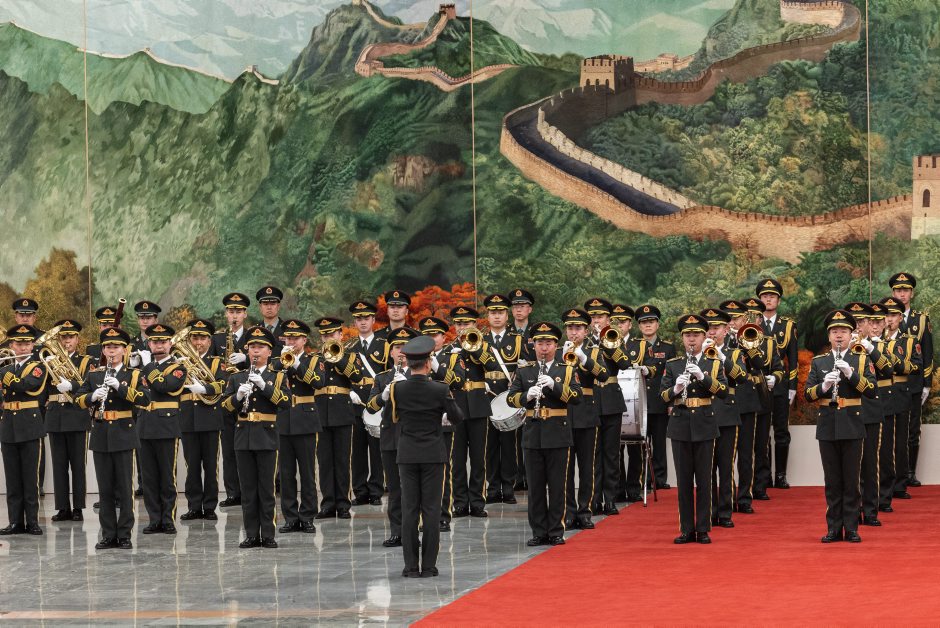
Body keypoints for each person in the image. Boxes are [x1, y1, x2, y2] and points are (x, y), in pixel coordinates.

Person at [394, 335, 463, 578]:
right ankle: (429, 565)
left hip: (407, 453)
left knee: (410, 510)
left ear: (408, 363)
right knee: (432, 510)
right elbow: (457, 417)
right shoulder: (440, 389)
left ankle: (411, 566)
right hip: (433, 453)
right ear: (428, 363)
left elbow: (391, 417)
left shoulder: (397, 389)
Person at [804, 310, 876, 543]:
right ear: (829, 336)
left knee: (852, 481)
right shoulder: (819, 362)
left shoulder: (861, 359)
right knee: (832, 481)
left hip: (853, 425)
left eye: (843, 331)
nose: (838, 335)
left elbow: (872, 391)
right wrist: (824, 386)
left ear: (851, 334)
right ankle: (834, 528)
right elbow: (808, 394)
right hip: (827, 425)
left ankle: (852, 527)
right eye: (834, 331)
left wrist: (850, 374)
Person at [508, 322, 581, 547]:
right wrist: (527, 397)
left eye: (548, 343)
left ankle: (556, 530)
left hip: (558, 433)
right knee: (536, 487)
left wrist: (554, 386)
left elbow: (577, 397)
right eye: (540, 343)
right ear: (534, 345)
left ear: (556, 345)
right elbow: (511, 398)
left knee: (558, 486)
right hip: (533, 434)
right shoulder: (525, 370)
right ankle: (539, 531)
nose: (544, 347)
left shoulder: (566, 369)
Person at [75, 327, 148, 550]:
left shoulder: (133, 375)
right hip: (100, 434)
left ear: (125, 350)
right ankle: (108, 534)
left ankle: (124, 534)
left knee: (125, 488)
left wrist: (120, 388)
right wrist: (91, 396)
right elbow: (78, 399)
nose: (111, 351)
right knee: (104, 488)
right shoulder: (94, 374)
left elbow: (145, 399)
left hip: (124, 433)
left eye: (116, 347)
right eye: (108, 347)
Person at [661, 314, 727, 544]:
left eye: (696, 335)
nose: (692, 339)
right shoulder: (673, 364)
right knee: (684, 481)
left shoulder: (713, 362)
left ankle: (703, 528)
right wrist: (676, 389)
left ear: (703, 336)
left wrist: (702, 376)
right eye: (687, 335)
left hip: (705, 424)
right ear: (682, 338)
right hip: (680, 423)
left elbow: (724, 391)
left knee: (705, 480)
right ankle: (686, 529)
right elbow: (663, 396)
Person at [221, 326, 289, 549]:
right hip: (243, 436)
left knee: (266, 489)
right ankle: (251, 534)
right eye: (252, 347)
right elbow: (224, 406)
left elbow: (286, 402)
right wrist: (238, 396)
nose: (256, 351)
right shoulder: (237, 377)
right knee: (248, 490)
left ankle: (268, 534)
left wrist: (263, 386)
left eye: (260, 347)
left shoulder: (277, 377)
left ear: (269, 352)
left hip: (267, 436)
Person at [365, 327, 418, 548]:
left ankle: (412, 531)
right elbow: (370, 406)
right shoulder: (382, 378)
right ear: (391, 351)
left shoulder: (419, 375)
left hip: (413, 437)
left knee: (412, 489)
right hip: (390, 438)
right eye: (397, 347)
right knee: (395, 489)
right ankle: (397, 531)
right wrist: (384, 395)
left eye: (405, 347)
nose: (401, 351)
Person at [133, 323, 186, 535]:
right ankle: (154, 519)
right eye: (155, 342)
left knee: (167, 476)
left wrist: (147, 367)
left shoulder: (178, 368)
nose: (159, 345)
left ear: (170, 343)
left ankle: (168, 519)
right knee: (148, 478)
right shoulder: (141, 368)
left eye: (163, 341)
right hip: (144, 424)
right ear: (149, 344)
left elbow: (165, 386)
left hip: (166, 426)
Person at [843, 303, 891, 527]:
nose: (858, 326)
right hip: (847, 412)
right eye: (854, 322)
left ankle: (870, 510)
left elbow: (888, 369)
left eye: (862, 321)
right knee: (850, 467)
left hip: (870, 411)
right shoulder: (840, 347)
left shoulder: (876, 346)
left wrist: (869, 347)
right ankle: (852, 511)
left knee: (870, 464)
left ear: (869, 324)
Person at [272, 319, 321, 534]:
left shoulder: (313, 360)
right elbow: (271, 381)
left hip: (305, 420)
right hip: (283, 420)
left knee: (307, 473)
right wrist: (282, 364)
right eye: (288, 338)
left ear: (304, 340)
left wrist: (296, 365)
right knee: (286, 473)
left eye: (295, 338)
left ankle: (308, 516)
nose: (291, 342)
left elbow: (318, 382)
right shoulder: (278, 361)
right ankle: (290, 517)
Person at [313, 316, 364, 519]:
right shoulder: (315, 358)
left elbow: (357, 376)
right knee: (325, 461)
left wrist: (338, 357)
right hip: (320, 413)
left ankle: (343, 503)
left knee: (343, 460)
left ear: (340, 335)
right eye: (325, 335)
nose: (329, 338)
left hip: (342, 413)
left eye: (332, 334)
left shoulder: (351, 356)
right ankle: (327, 503)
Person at [560, 309, 607, 530]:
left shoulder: (593, 351)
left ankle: (585, 511)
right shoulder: (556, 351)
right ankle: (568, 512)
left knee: (587, 467)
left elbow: (603, 374)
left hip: (586, 414)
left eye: (578, 328)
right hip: (563, 415)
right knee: (565, 468)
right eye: (570, 328)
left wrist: (583, 358)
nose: (574, 332)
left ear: (586, 331)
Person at [700, 308, 746, 529]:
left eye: (716, 328)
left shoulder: (734, 353)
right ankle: (708, 512)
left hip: (727, 413)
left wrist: (720, 356)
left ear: (726, 330)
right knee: (706, 468)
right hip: (704, 414)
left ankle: (725, 512)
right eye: (708, 328)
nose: (712, 332)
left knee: (726, 467)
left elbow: (741, 376)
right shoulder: (696, 354)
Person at [44, 320, 94, 523]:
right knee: (59, 466)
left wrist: (71, 385)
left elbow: (90, 385)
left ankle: (78, 508)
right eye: (63, 337)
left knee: (78, 466)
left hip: (77, 415)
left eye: (70, 337)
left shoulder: (86, 361)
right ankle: (62, 507)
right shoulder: (49, 361)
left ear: (77, 339)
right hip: (55, 415)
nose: (67, 341)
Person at [0, 324, 48, 536]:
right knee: (12, 479)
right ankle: (15, 522)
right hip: (8, 425)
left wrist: (4, 376)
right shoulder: (6, 367)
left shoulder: (38, 366)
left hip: (29, 425)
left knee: (30, 478)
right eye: (19, 344)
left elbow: (26, 385)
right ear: (11, 345)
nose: (23, 347)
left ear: (32, 345)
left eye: (27, 343)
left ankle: (33, 522)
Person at [178, 318, 227, 521]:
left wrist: (205, 388)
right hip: (188, 418)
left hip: (209, 419)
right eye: (195, 338)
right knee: (191, 466)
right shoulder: (181, 361)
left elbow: (223, 385)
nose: (198, 342)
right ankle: (194, 506)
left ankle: (209, 507)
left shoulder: (216, 362)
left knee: (210, 465)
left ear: (209, 340)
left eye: (203, 338)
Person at [420, 316, 465, 532]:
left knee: (443, 469)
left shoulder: (453, 356)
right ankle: (425, 517)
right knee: (421, 471)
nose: (431, 339)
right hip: (421, 419)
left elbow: (459, 381)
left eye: (435, 335)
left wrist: (438, 368)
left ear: (443, 337)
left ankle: (443, 516)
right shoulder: (416, 357)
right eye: (427, 335)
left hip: (444, 418)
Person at [889, 273, 933, 487]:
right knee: (890, 430)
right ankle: (891, 473)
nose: (902, 294)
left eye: (905, 290)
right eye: (898, 290)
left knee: (912, 429)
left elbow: (928, 353)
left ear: (912, 293)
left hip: (914, 383)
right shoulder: (884, 317)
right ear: (893, 293)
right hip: (890, 384)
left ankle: (910, 472)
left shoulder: (921, 320)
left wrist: (927, 384)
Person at [740, 297, 784, 505]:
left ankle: (760, 485)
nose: (752, 319)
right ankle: (743, 489)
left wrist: (775, 378)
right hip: (740, 395)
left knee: (762, 443)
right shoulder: (732, 340)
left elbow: (779, 368)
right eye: (747, 316)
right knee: (743, 446)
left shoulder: (769, 341)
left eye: (756, 316)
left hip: (761, 394)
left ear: (760, 318)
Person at [755, 279, 798, 489]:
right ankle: (763, 477)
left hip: (780, 385)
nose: (768, 299)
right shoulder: (752, 325)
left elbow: (793, 358)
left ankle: (780, 475)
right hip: (758, 384)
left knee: (781, 431)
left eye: (772, 296)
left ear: (778, 300)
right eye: (764, 296)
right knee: (762, 433)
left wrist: (792, 387)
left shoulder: (788, 325)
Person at [448, 306, 489, 518]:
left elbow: (492, 366)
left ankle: (478, 502)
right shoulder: (449, 349)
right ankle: (460, 502)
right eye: (459, 323)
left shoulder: (484, 345)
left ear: (475, 325)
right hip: (457, 406)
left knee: (479, 459)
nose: (462, 327)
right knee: (457, 459)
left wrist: (474, 348)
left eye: (466, 323)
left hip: (479, 406)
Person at [482, 293, 523, 504]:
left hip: (508, 398)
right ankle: (492, 487)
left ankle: (508, 487)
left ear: (507, 315)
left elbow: (525, 367)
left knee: (509, 445)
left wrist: (516, 383)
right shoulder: (480, 340)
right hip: (486, 397)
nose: (496, 316)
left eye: (500, 312)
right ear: (487, 315)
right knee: (489, 446)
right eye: (493, 312)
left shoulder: (517, 340)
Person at [880, 296, 921, 504]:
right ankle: (883, 485)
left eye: (894, 315)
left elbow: (916, 366)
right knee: (883, 442)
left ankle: (900, 484)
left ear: (900, 318)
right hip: (880, 394)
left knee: (900, 441)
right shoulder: (874, 341)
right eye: (886, 315)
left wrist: (894, 360)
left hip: (900, 393)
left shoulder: (910, 341)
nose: (889, 319)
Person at [212, 292, 251, 508]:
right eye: (231, 311)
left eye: (238, 311)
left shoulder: (253, 336)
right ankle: (232, 493)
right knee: (228, 448)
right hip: (226, 397)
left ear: (245, 314)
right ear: (226, 314)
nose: (234, 316)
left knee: (248, 447)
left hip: (249, 396)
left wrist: (246, 358)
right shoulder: (217, 339)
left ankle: (248, 491)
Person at [348, 300, 387, 507]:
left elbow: (388, 373)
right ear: (355, 322)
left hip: (376, 403)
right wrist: (349, 391)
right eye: (359, 319)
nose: (362, 322)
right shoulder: (348, 348)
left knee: (377, 450)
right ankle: (360, 491)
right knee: (358, 450)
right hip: (355, 404)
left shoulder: (384, 345)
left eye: (366, 318)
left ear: (373, 320)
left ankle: (376, 490)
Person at [633, 304, 675, 492]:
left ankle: (659, 479)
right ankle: (642, 479)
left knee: (659, 443)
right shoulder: (632, 347)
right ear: (639, 326)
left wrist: (671, 402)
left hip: (659, 402)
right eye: (644, 322)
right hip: (639, 402)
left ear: (658, 324)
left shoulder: (668, 347)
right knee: (640, 444)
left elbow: (672, 376)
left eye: (651, 321)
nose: (648, 325)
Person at [509, 289, 535, 492]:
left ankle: (530, 475)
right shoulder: (507, 332)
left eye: (522, 306)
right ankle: (516, 477)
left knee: (531, 430)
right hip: (511, 386)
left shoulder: (536, 331)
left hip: (532, 385)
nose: (519, 310)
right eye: (515, 307)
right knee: (513, 434)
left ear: (529, 309)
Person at [256, 286, 286, 353]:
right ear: (260, 307)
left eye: (273, 304)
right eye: (265, 304)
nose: (269, 307)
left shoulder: (287, 330)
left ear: (278, 306)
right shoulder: (255, 330)